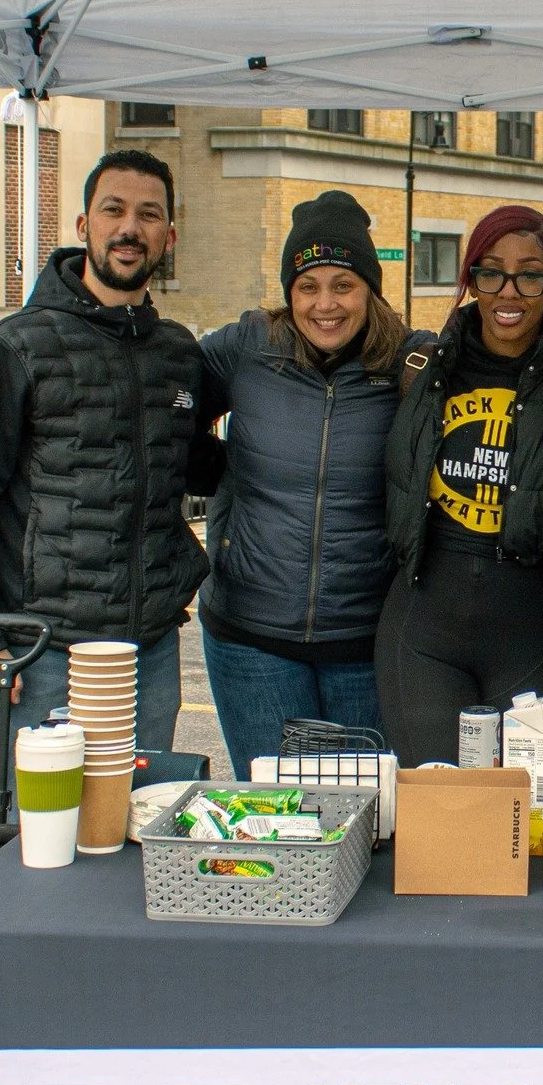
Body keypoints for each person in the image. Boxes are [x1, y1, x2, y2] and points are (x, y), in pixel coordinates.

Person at [0, 148, 210, 805]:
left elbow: (194, 467)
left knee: (135, 826)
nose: (129, 228)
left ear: (170, 233)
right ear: (84, 223)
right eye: (113, 210)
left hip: (150, 653)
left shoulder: (178, 356)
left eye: (148, 214)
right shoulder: (14, 348)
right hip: (42, 654)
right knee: (32, 837)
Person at [198, 191, 429, 776]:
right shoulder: (249, 347)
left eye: (343, 284)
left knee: (369, 823)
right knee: (280, 819)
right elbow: (164, 400)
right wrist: (210, 465)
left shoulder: (411, 363)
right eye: (308, 286)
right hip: (252, 643)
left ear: (370, 290)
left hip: (369, 647)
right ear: (289, 293)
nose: (325, 304)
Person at [376, 204, 543, 766]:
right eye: (490, 272)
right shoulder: (421, 365)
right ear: (471, 278)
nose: (508, 291)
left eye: (530, 274)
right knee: (437, 809)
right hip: (424, 625)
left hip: (533, 630)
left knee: (526, 813)